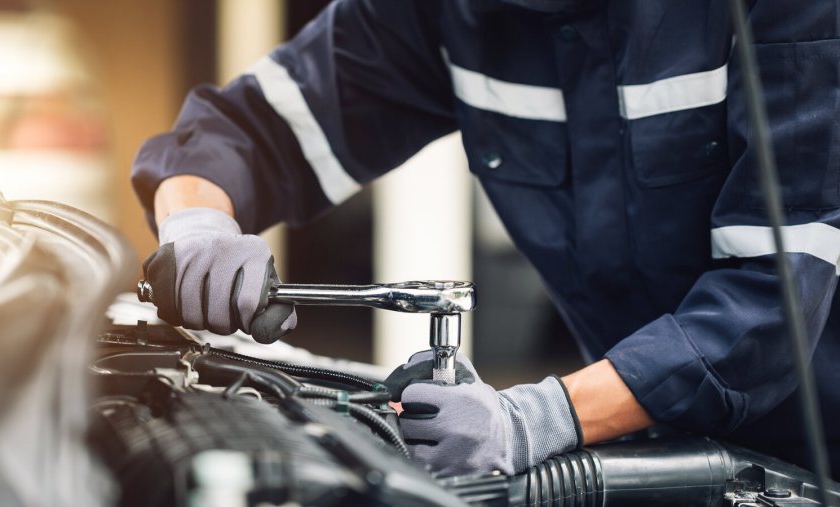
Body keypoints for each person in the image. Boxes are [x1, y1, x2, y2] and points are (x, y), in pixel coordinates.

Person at [132, 0, 840, 478]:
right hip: (668, 444)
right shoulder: (445, 13)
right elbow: (246, 132)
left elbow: (773, 295)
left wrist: (538, 419)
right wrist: (198, 225)